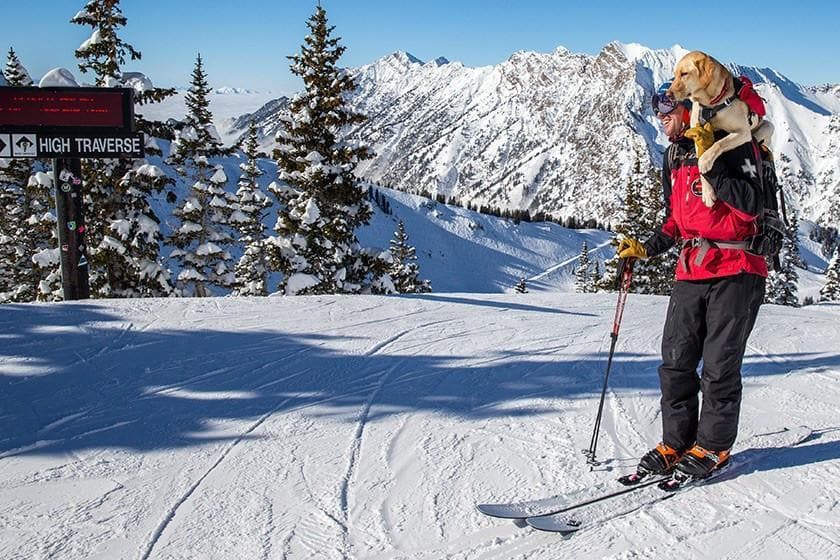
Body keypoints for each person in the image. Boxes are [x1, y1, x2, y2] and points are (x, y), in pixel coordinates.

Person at [617, 81, 768, 480]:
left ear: (690, 109)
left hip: (737, 267)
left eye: (668, 110)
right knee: (676, 361)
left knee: (719, 365)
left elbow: (751, 206)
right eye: (658, 111)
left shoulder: (731, 145)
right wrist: (646, 248)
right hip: (692, 268)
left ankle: (714, 447)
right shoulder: (674, 155)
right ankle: (677, 442)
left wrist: (711, 162)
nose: (660, 117)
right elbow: (675, 219)